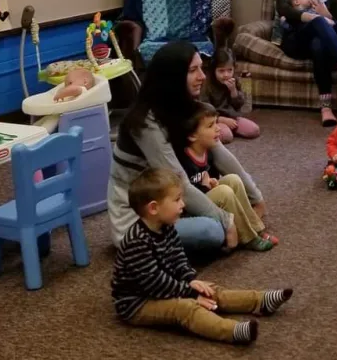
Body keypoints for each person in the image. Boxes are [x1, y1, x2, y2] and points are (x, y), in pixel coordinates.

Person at [107, 41, 267, 252]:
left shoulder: (186, 108)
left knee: (226, 190)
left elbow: (219, 152)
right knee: (212, 230)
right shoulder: (146, 122)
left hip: (174, 204)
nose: (202, 76)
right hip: (142, 220)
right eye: (193, 70)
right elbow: (179, 180)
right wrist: (226, 222)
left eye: (201, 68)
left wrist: (256, 197)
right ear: (172, 79)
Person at [111, 168, 293, 345]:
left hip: (163, 287)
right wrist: (189, 293)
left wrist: (190, 279)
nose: (183, 204)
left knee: (208, 289)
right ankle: (231, 331)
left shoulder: (167, 226)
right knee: (185, 308)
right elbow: (155, 284)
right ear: (153, 208)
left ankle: (260, 301)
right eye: (177, 200)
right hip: (138, 303)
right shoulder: (137, 241)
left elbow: (178, 258)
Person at [176, 102, 276, 251]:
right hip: (189, 211)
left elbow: (206, 180)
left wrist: (211, 183)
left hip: (205, 198)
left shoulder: (208, 152)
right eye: (210, 126)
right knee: (224, 192)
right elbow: (186, 193)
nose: (217, 128)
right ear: (192, 135)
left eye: (216, 123)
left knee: (233, 179)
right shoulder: (182, 159)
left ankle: (257, 228)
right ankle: (249, 238)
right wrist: (208, 186)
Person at [202, 42, 260, 145]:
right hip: (213, 119)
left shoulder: (234, 80)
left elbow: (238, 105)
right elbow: (203, 109)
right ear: (213, 70)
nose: (226, 75)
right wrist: (220, 119)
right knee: (226, 136)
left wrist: (233, 91)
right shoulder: (207, 85)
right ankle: (222, 128)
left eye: (230, 70)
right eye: (221, 71)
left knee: (254, 130)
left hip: (231, 116)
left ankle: (229, 128)